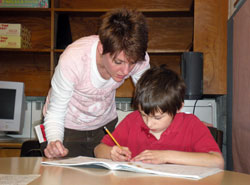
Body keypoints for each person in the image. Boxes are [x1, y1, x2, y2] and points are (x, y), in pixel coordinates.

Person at [42, 8, 150, 158]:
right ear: (101, 48)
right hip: (66, 127)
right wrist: (54, 141)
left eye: (131, 63)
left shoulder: (137, 56)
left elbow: (150, 99)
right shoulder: (74, 59)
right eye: (118, 62)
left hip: (105, 127)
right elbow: (56, 112)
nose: (126, 71)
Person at [94, 66, 224, 169]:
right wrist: (112, 153)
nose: (149, 123)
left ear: (178, 107)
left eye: (157, 118)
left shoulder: (191, 125)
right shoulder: (133, 120)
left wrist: (166, 156)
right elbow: (98, 150)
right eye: (144, 115)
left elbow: (217, 162)